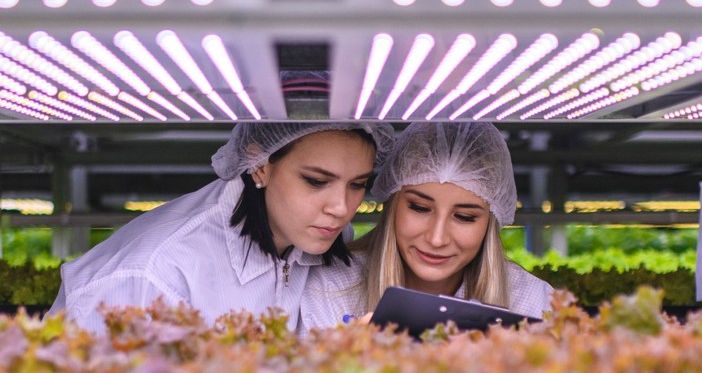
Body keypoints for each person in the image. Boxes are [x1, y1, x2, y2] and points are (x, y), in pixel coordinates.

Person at [50, 121, 391, 332]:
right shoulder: (154, 275)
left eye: (357, 184)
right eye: (316, 181)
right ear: (260, 165)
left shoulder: (316, 234)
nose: (341, 208)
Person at [304, 121, 556, 327]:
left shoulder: (531, 299)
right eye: (420, 208)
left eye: (465, 217)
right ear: (392, 205)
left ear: (490, 223)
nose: (437, 239)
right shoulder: (332, 288)